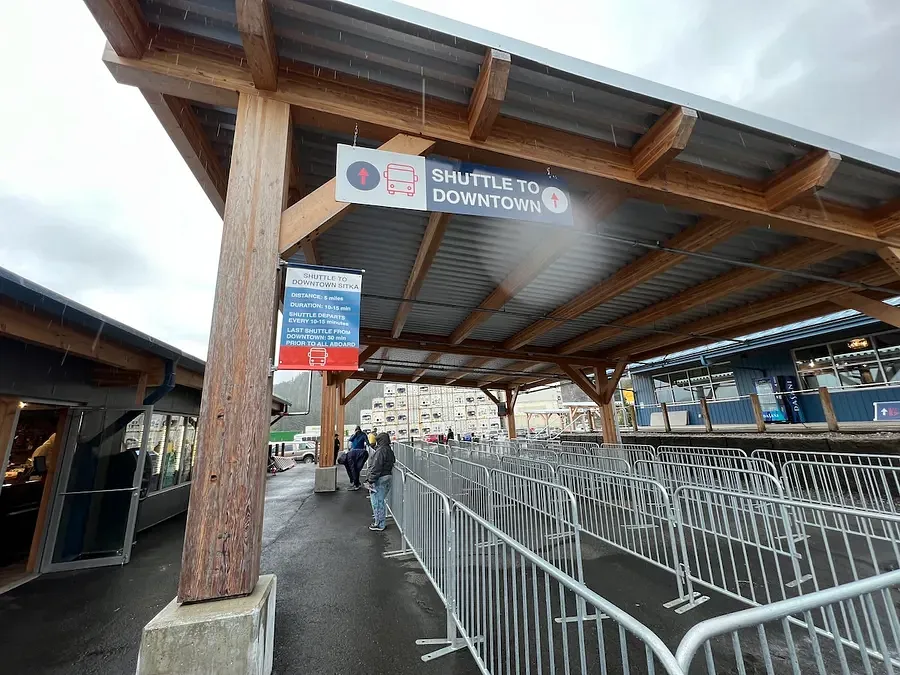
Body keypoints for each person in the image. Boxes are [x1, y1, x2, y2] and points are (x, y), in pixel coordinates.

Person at [367, 432, 395, 531]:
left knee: (377, 502)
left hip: (380, 478)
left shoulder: (380, 451)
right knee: (380, 501)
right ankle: (379, 522)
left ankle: (379, 523)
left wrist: (370, 480)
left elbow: (376, 466)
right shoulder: (389, 450)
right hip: (388, 476)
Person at [345, 426, 369, 490]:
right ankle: (356, 483)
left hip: (359, 453)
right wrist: (355, 435)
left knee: (356, 469)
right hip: (356, 453)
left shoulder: (363, 435)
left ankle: (356, 484)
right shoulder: (355, 435)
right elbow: (350, 439)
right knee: (355, 469)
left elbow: (367, 442)